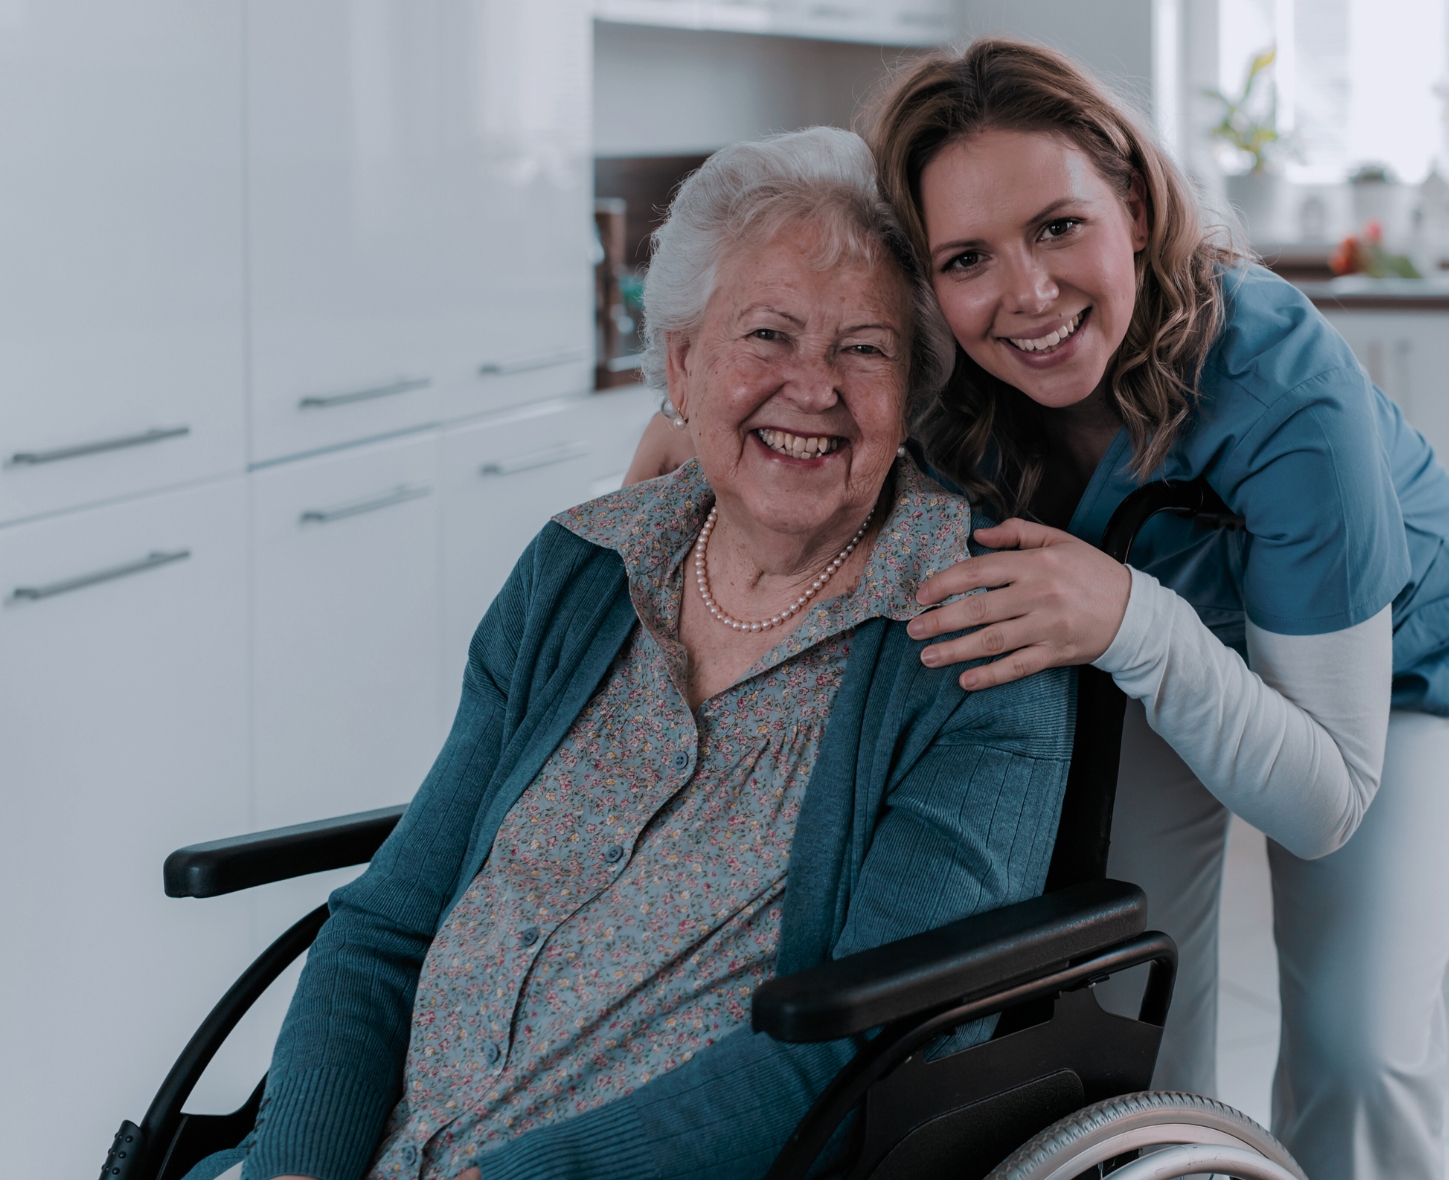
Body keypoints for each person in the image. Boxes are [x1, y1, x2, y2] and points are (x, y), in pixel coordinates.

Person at [628, 40, 1449, 1180]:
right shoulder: (940, 378)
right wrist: (689, 416)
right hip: (1126, 646)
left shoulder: (1282, 388)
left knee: (1358, 1049)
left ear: (1133, 206)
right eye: (966, 257)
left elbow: (1320, 802)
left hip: (1377, 681)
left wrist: (1134, 621)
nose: (1028, 296)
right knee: (1127, 1009)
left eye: (1057, 227)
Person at [190, 126, 1074, 1180]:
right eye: (767, 335)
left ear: (912, 390)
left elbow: (874, 1041)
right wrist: (295, 1163)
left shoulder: (972, 634)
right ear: (683, 363)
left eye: (863, 348)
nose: (813, 386)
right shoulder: (578, 569)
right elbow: (387, 927)